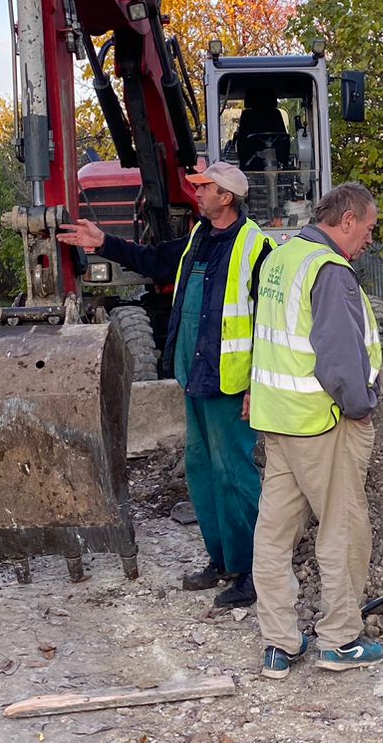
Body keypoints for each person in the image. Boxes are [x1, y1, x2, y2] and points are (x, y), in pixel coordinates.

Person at [57, 161, 272, 608]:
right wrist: (105, 243)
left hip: (231, 385)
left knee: (236, 476)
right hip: (195, 375)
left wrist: (257, 385)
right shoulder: (199, 237)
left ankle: (253, 574)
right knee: (202, 472)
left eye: (205, 187)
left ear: (227, 197)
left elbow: (268, 324)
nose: (197, 192)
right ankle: (221, 561)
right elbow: (153, 260)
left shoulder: (257, 248)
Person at [248, 181, 383, 679]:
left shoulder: (283, 258)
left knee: (274, 536)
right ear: (346, 220)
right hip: (321, 424)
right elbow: (341, 359)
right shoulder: (330, 272)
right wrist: (361, 407)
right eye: (368, 229)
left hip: (278, 422)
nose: (369, 239)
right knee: (342, 529)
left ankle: (279, 645)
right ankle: (339, 641)